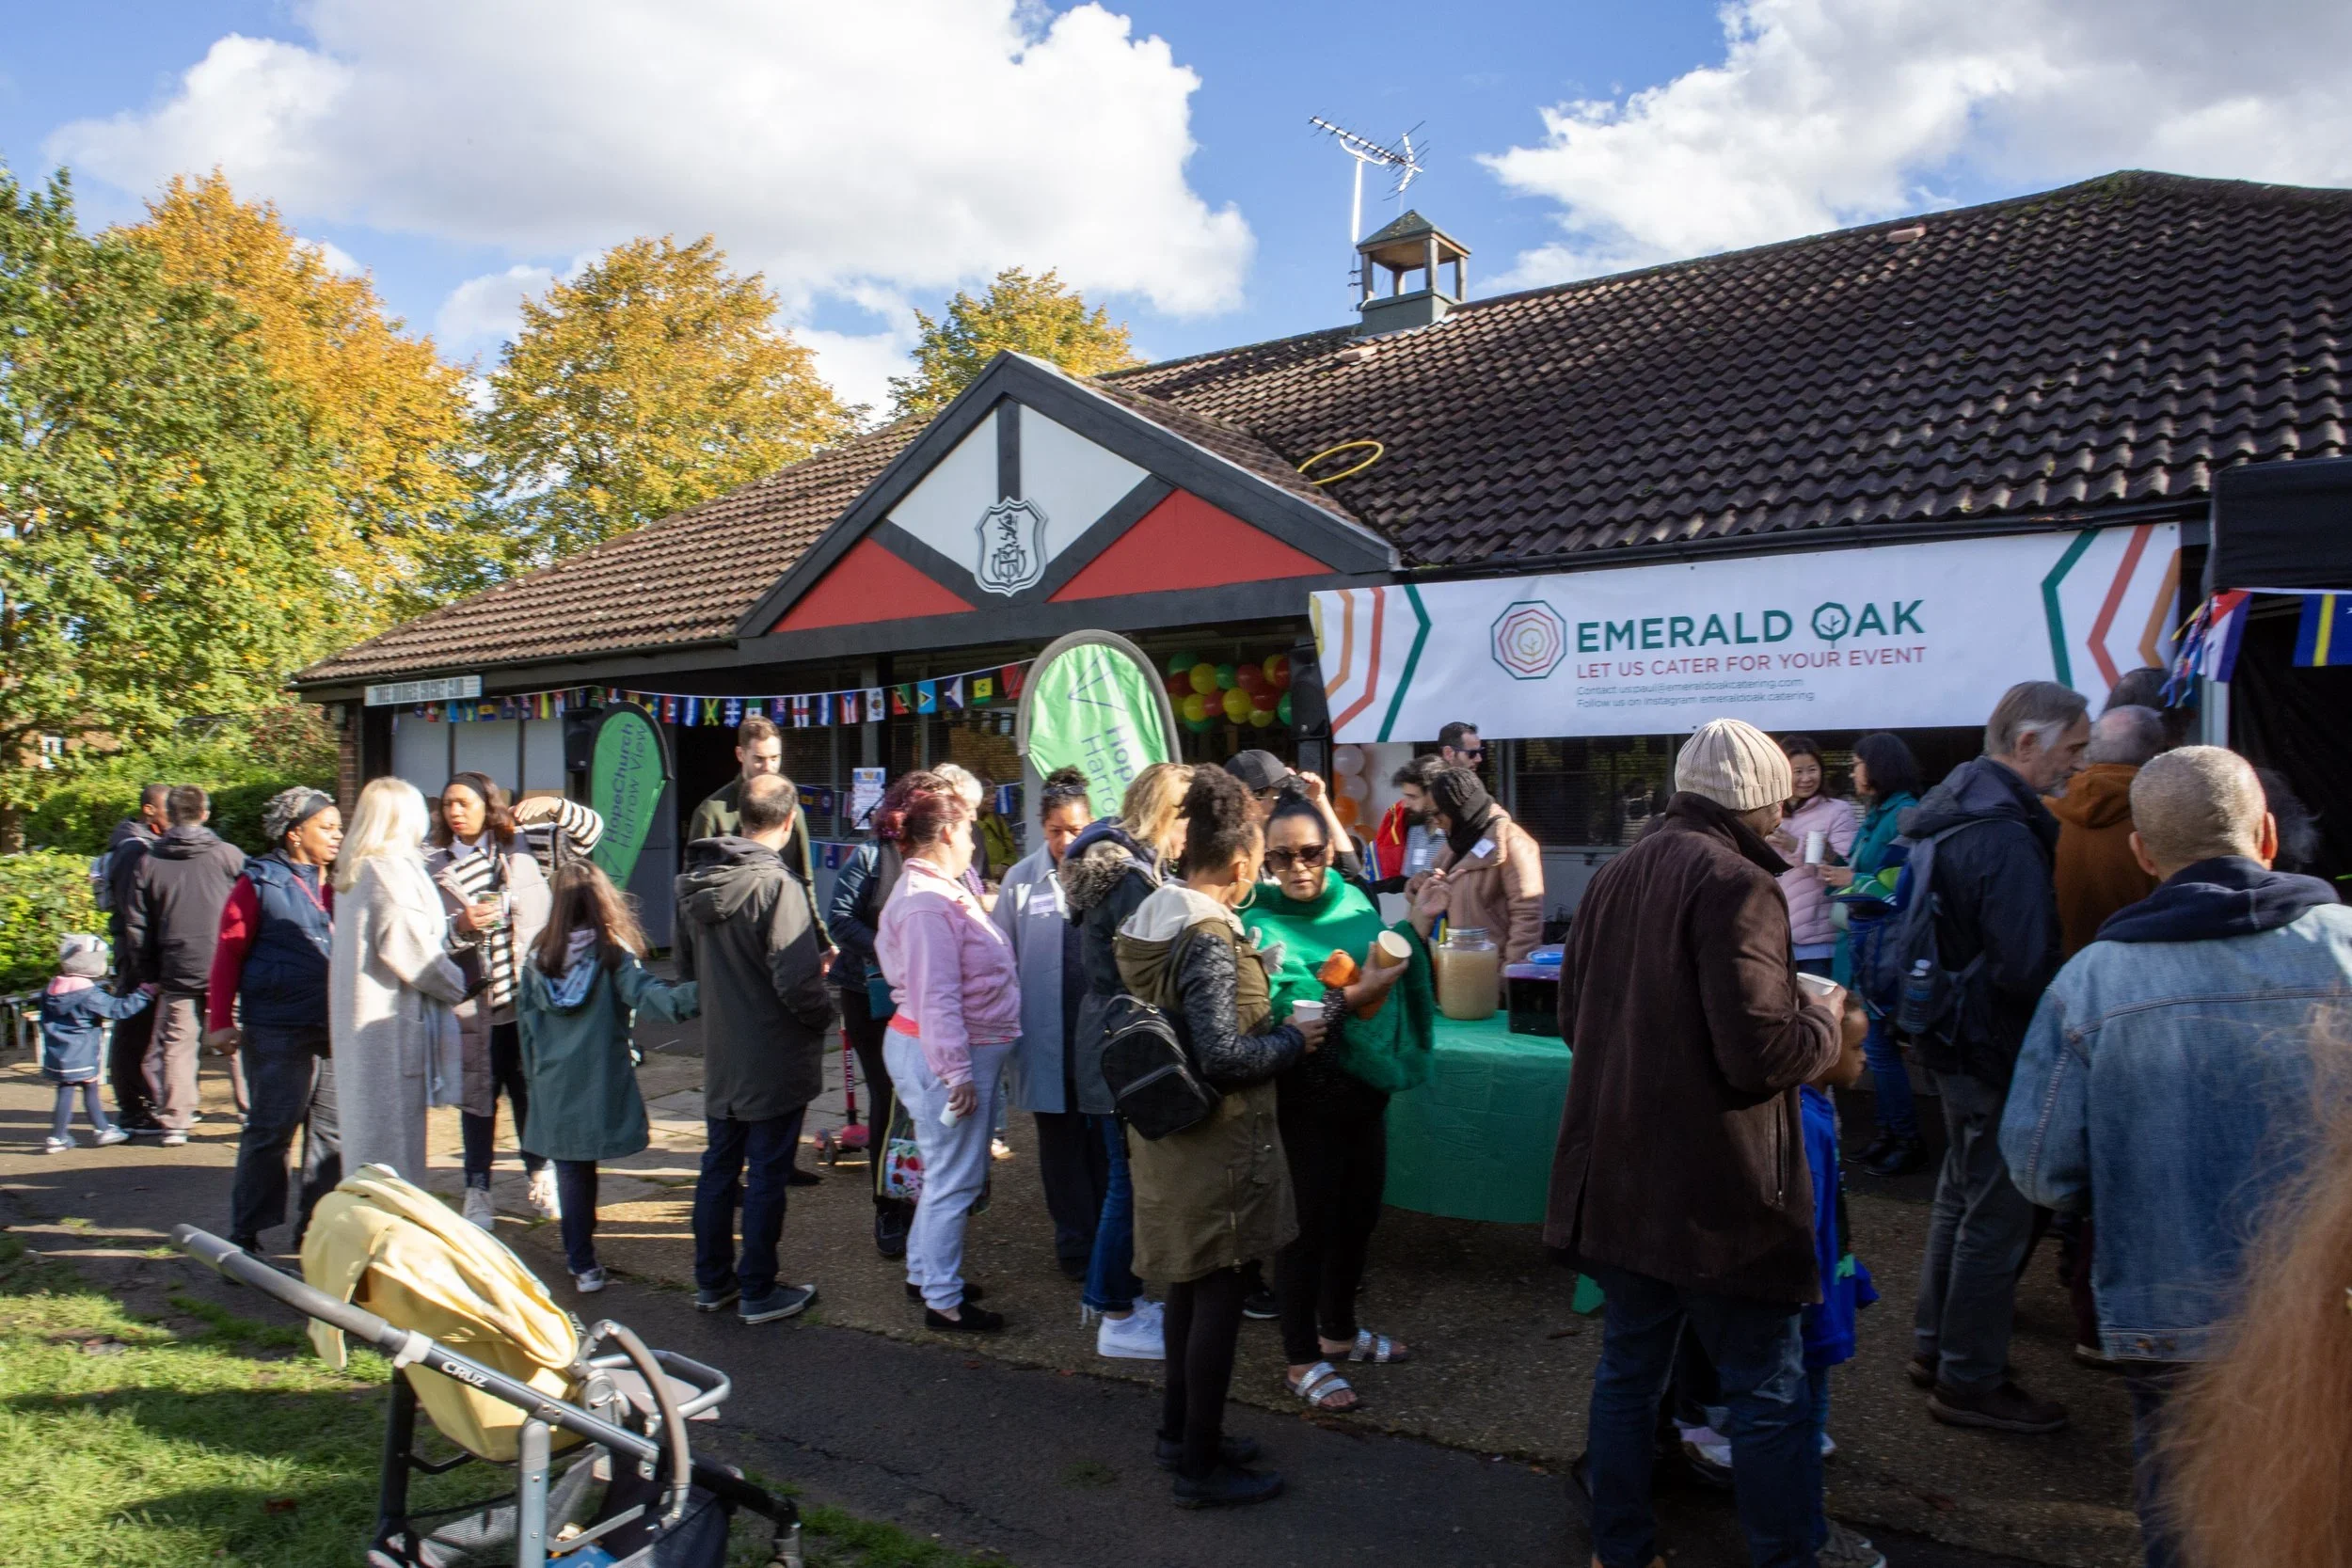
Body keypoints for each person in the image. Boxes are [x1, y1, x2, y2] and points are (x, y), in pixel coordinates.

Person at [2001, 746, 2352, 1568]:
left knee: (2188, 1521)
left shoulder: (2091, 984)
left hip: (2169, 1316)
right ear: (2267, 834)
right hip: (2334, 1307)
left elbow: (2040, 1169)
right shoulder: (2345, 949)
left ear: (2143, 854)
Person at [1546, 717, 1847, 1568]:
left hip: (1622, 1180)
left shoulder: (1618, 872)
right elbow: (1763, 1054)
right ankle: (1787, 1555)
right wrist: (1821, 1022)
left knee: (1630, 1374)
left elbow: (1576, 1019)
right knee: (1768, 1390)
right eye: (1779, 803)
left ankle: (1622, 1546)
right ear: (1763, 801)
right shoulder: (1738, 882)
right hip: (1718, 1195)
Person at [1116, 766, 1317, 1508]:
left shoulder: (1155, 912)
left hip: (1172, 1137)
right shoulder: (1205, 930)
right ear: (1238, 866)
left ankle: (1182, 1433)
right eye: (1261, 863)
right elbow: (1224, 1056)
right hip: (1215, 1147)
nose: (1260, 875)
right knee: (1220, 1292)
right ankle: (1200, 1464)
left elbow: (1188, 1020)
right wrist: (1297, 1036)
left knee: (1189, 1289)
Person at [1901, 679, 2088, 1435]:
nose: (2077, 764)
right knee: (1996, 1217)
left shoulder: (1950, 809)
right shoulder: (2004, 831)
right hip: (1992, 1047)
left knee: (1960, 1196)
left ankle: (1934, 1347)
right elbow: (2024, 964)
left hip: (1946, 1032)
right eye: (2072, 748)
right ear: (2027, 744)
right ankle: (1970, 1378)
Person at [1241, 793, 1438, 1414]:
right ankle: (1302, 1358)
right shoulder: (1254, 918)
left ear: (1330, 848)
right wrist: (1355, 993)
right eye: (1282, 856)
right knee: (1306, 1228)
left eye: (1311, 852)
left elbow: (1385, 969)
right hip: (1303, 1092)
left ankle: (1340, 1332)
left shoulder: (1354, 898)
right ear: (1264, 858)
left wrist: (1418, 923)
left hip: (1364, 1088)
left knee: (1358, 1216)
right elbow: (1275, 1013)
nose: (1298, 867)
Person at [2164, 1031, 2352, 1568]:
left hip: (2159, 1304)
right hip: (2290, 1314)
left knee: (2183, 1490)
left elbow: (2041, 1171)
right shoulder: (2333, 972)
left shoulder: (2094, 981)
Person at [674, 772, 834, 1324]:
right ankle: (759, 1288)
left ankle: (712, 1281)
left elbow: (685, 970)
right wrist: (825, 1017)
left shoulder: (697, 877)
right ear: (789, 823)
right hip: (772, 1053)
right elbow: (797, 982)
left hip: (723, 1051)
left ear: (741, 818)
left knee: (719, 1166)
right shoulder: (777, 886)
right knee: (766, 1173)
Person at [875, 770, 1022, 1331]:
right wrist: (957, 1073)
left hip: (940, 1050)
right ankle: (943, 1297)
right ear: (944, 835)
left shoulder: (937, 892)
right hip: (943, 1055)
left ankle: (927, 1274)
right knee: (956, 1177)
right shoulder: (927, 904)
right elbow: (936, 997)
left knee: (945, 1172)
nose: (974, 841)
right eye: (967, 831)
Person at [517, 858, 701, 1294]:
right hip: (599, 1078)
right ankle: (584, 1261)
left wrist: (533, 1087)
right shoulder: (613, 955)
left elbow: (526, 1032)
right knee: (588, 1170)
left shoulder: (537, 958)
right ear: (604, 899)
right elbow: (663, 1005)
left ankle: (582, 1264)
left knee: (571, 1172)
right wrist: (710, 988)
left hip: (552, 1081)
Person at [1060, 761, 1192, 1360]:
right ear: (1167, 815)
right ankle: (1115, 1309)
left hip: (1103, 1035)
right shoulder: (1134, 879)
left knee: (1125, 1176)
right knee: (1127, 1181)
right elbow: (1152, 970)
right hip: (1120, 1041)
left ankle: (1119, 1298)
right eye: (1188, 817)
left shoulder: (1116, 866)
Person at [209, 787, 344, 1254]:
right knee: (272, 1128)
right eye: (327, 828)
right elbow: (228, 952)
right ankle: (246, 1231)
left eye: (339, 828)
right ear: (294, 835)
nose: (337, 836)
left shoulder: (341, 884)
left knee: (330, 1132)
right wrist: (220, 1019)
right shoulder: (259, 883)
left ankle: (315, 1231)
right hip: (278, 1027)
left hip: (331, 1027)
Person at [426, 773, 558, 1229]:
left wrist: (553, 807)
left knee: (530, 1097)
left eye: (464, 803)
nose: (455, 812)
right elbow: (422, 939)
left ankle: (540, 1176)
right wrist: (459, 926)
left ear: (488, 805)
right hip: (471, 1008)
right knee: (477, 1103)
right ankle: (477, 1191)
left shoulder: (519, 848)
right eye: (447, 805)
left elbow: (590, 832)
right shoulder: (432, 865)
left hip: (523, 1002)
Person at [992, 768, 1104, 1280]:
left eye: (1076, 829)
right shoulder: (1020, 881)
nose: (1066, 841)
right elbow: (1000, 959)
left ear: (1091, 823)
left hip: (1098, 1039)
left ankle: (1108, 1234)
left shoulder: (1110, 873)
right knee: (1059, 1148)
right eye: (1056, 830)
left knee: (1102, 1144)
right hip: (1045, 1037)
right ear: (1042, 828)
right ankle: (1074, 1242)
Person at [330, 778, 469, 1181]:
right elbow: (413, 951)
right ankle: (391, 1234)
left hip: (361, 1021)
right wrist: (460, 984)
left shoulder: (356, 867)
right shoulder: (389, 872)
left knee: (366, 1140)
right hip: (387, 1027)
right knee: (392, 1152)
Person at [1813, 733, 1927, 1177]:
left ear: (1879, 767)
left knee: (1879, 1047)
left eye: (1858, 764)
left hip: (1883, 947)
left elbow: (1895, 886)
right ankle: (1888, 1134)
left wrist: (1849, 878)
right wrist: (1837, 866)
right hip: (1862, 944)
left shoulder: (1902, 814)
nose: (1853, 772)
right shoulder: (1876, 814)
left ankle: (1906, 1139)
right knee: (1874, 1045)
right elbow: (1865, 869)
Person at [123, 784, 248, 1148]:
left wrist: (147, 971)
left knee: (179, 1042)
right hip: (227, 959)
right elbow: (252, 904)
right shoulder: (229, 856)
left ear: (171, 814)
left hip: (175, 963)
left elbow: (137, 924)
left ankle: (176, 1120)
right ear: (206, 813)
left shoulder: (148, 861)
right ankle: (251, 1110)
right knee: (237, 1035)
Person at [828, 798, 913, 1258]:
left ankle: (916, 1197)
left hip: (916, 995)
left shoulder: (940, 857)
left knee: (914, 1099)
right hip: (867, 994)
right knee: (887, 1094)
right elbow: (837, 918)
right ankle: (887, 1205)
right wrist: (889, 949)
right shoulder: (870, 856)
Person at [2047, 705, 2166, 960]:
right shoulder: (2163, 822)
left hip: (2056, 978)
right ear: (2156, 755)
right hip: (2136, 976)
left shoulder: (2040, 814)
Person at [1411, 766, 1545, 989]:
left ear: (1460, 809)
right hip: (1457, 972)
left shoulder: (1513, 842)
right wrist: (1419, 885)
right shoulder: (1457, 842)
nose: (1435, 821)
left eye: (1438, 813)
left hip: (1494, 977)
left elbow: (1527, 917)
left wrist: (1510, 979)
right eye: (1430, 814)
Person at [37, 935, 151, 1152]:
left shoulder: (52, 989)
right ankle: (97, 1131)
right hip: (82, 1051)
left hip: (57, 1052)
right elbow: (118, 1009)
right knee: (88, 1088)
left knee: (67, 1091)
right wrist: (144, 995)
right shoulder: (87, 993)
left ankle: (60, 1136)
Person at [100, 784, 169, 1133]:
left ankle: (141, 1103)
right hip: (136, 957)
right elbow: (133, 914)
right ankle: (132, 1108)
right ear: (148, 811)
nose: (171, 814)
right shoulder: (133, 850)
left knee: (143, 1030)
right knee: (134, 1030)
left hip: (140, 954)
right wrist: (143, 967)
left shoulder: (141, 844)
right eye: (165, 808)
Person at [1769, 736, 1858, 978]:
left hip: (1818, 941)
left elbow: (1844, 869)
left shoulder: (1837, 811)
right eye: (1797, 771)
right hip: (1773, 940)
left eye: (1812, 769)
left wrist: (1795, 845)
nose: (1806, 778)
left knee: (1818, 1011)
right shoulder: (1767, 811)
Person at [1371, 754, 1449, 891]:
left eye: (1412, 797)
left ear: (1434, 795)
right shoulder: (1416, 829)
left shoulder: (1456, 834)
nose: (1405, 804)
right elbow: (1410, 882)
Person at [975, 777, 1020, 887]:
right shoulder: (968, 826)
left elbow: (1012, 852)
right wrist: (994, 869)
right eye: (987, 794)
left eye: (994, 792)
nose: (994, 797)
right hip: (979, 887)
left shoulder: (998, 821)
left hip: (1002, 885)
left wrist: (1005, 865)